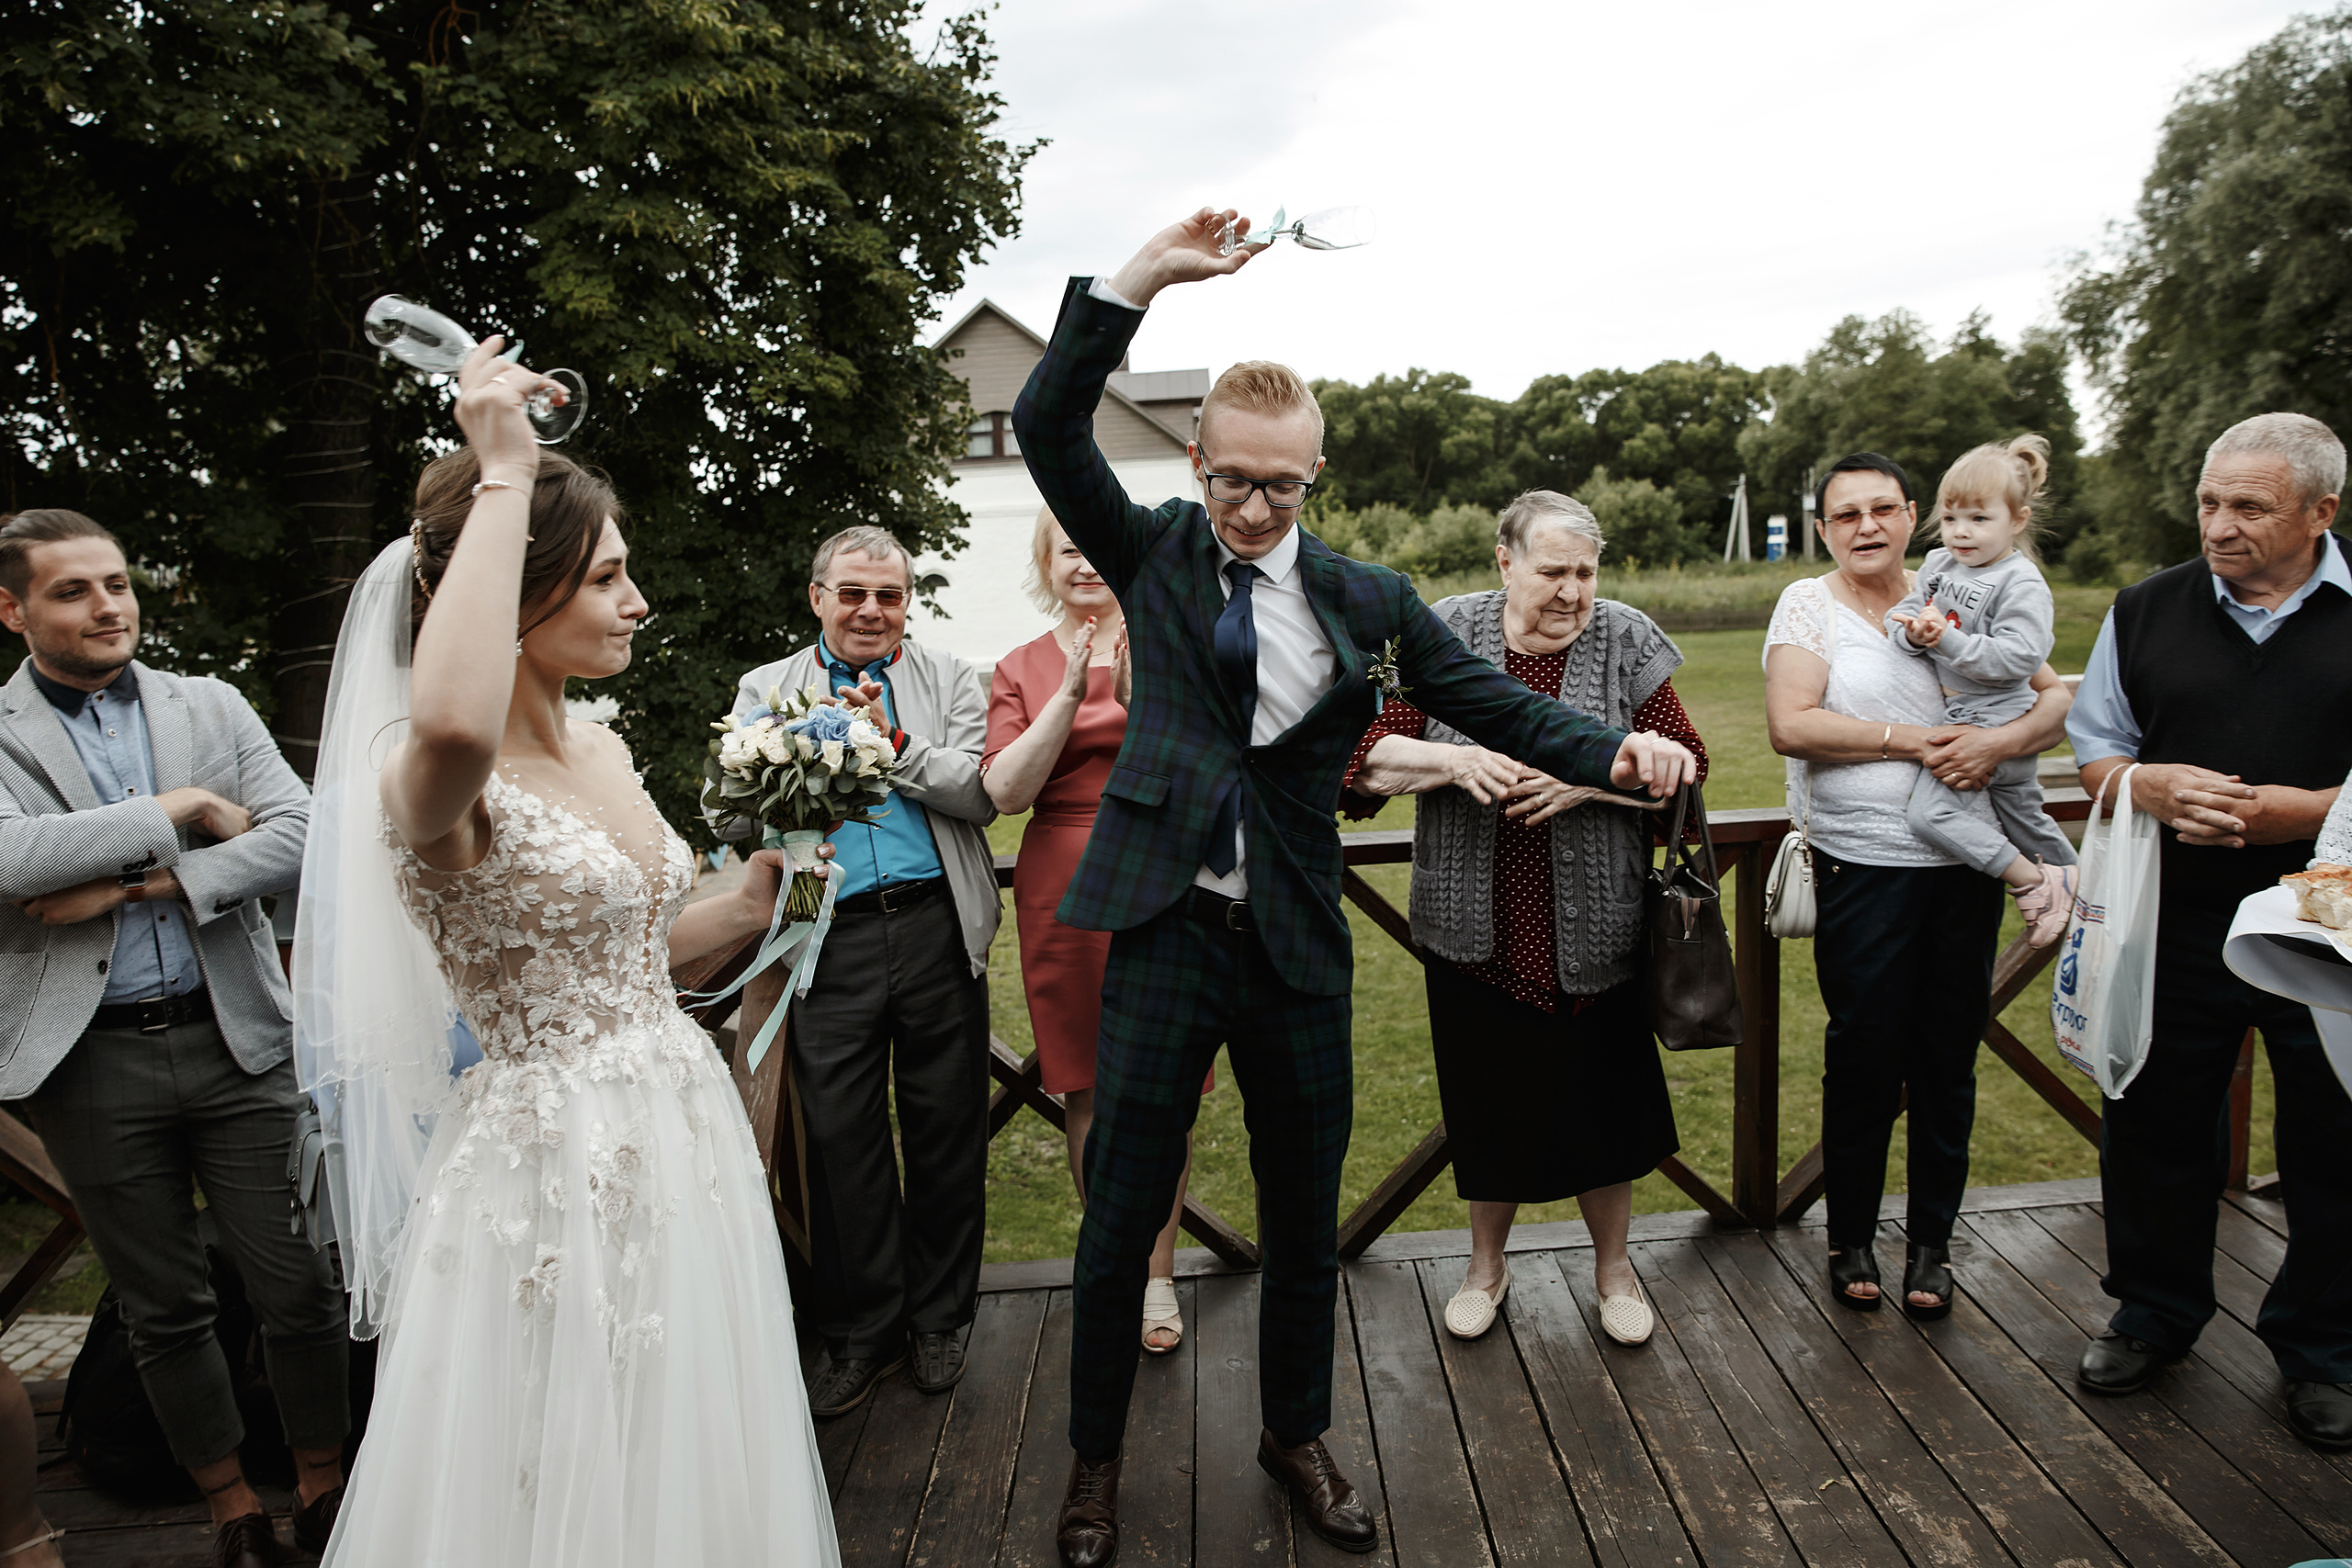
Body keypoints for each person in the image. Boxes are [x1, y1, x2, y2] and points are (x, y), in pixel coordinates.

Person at [1012, 209, 1698, 1568]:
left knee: (1304, 1217)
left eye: (1284, 484)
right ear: (1198, 461)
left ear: (1316, 476)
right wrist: (1142, 278)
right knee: (1116, 1218)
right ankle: (1094, 1460)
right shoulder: (1149, 552)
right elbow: (1045, 420)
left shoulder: (1367, 594)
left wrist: (1610, 743)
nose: (1255, 507)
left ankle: (1295, 1432)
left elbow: (1487, 696)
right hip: (1157, 931)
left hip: (1293, 946)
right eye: (1234, 479)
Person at [300, 342, 839, 1564]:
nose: (635, 600)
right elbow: (451, 711)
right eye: (605, 577)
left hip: (679, 1131)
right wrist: (502, 467)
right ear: (515, 590)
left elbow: (640, 951)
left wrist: (762, 892)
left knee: (688, 1446)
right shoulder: (434, 777)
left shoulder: (602, 745)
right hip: (550, 1173)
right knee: (558, 1469)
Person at [0, 507, 349, 1568]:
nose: (108, 605)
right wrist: (187, 804)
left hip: (239, 1035)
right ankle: (232, 1509)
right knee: (164, 1307)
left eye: (116, 583)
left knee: (299, 1282)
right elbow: (11, 862)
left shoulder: (212, 702)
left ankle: (325, 1491)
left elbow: (301, 834)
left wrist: (141, 881)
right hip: (85, 1061)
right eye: (73, 590)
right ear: (12, 609)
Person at [1340, 491, 1703, 1348]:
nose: (1572, 590)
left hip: (1600, 926)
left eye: (1585, 571)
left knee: (1604, 1111)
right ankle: (1484, 1268)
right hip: (1472, 923)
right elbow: (1365, 755)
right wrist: (1456, 763)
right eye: (1552, 571)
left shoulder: (1626, 639)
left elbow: (1686, 760)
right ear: (1505, 560)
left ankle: (1613, 1270)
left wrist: (1588, 778)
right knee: (1488, 1103)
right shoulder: (1438, 632)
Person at [2065, 411, 2352, 1452]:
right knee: (2149, 1121)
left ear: (2322, 512)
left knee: (2334, 1139)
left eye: (2249, 507)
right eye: (2207, 502)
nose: (2218, 527)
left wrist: (2302, 813)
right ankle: (2152, 1316)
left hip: (2331, 937)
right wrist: (2147, 784)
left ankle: (2325, 1352)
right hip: (2169, 921)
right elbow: (2096, 752)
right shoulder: (2143, 610)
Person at [1764, 454, 2073, 1321]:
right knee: (1863, 1054)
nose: (1866, 526)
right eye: (1845, 514)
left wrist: (1998, 745)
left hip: (1964, 870)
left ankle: (1933, 1243)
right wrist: (1920, 740)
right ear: (1825, 528)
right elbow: (1793, 725)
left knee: (1948, 1058)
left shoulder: (1956, 591)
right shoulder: (1808, 604)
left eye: (1882, 510)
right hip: (1862, 869)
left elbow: (2054, 701)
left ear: (1912, 515)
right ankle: (1850, 1235)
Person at [729, 525, 999, 1418]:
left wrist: (890, 745)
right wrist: (779, 791)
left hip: (932, 928)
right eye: (852, 593)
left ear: (907, 603)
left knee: (946, 1130)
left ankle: (940, 1318)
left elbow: (976, 791)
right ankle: (862, 1328)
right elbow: (726, 814)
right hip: (823, 933)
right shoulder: (765, 689)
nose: (871, 610)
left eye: (888, 595)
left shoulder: (954, 680)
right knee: (841, 1137)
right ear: (818, 598)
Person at [985, 507, 1205, 1355]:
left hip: (1162, 871)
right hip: (1063, 879)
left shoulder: (1173, 644)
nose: (1084, 564)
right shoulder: (1020, 667)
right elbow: (1006, 791)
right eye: (1066, 549)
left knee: (1169, 1084)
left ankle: (1158, 1276)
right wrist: (1072, 691)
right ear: (1047, 564)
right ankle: (1114, 1263)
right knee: (1088, 1086)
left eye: (1095, 547)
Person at [1885, 435, 2079, 943]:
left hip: (1999, 716)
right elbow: (1903, 612)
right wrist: (1910, 633)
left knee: (1930, 813)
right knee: (2024, 817)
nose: (1960, 533)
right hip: (1966, 711)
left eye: (1978, 518)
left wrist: (1946, 640)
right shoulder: (1937, 566)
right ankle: (2077, 889)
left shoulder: (2021, 582)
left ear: (2017, 520)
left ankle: (2033, 883)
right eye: (1950, 519)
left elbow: (2019, 659)